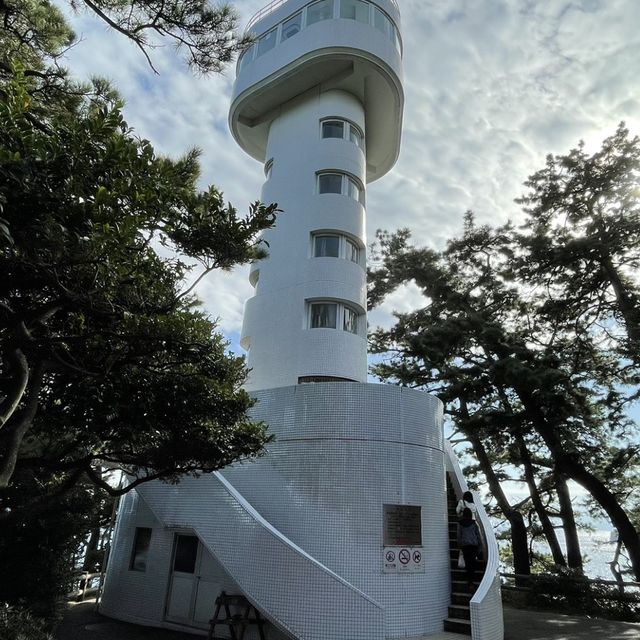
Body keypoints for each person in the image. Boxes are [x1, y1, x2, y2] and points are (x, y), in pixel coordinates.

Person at [457, 507, 481, 591]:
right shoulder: (474, 523)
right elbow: (478, 535)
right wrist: (480, 545)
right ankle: (471, 581)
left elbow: (459, 535)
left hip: (465, 546)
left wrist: (459, 545)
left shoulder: (460, 524)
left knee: (467, 563)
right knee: (473, 563)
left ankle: (469, 582)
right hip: (474, 546)